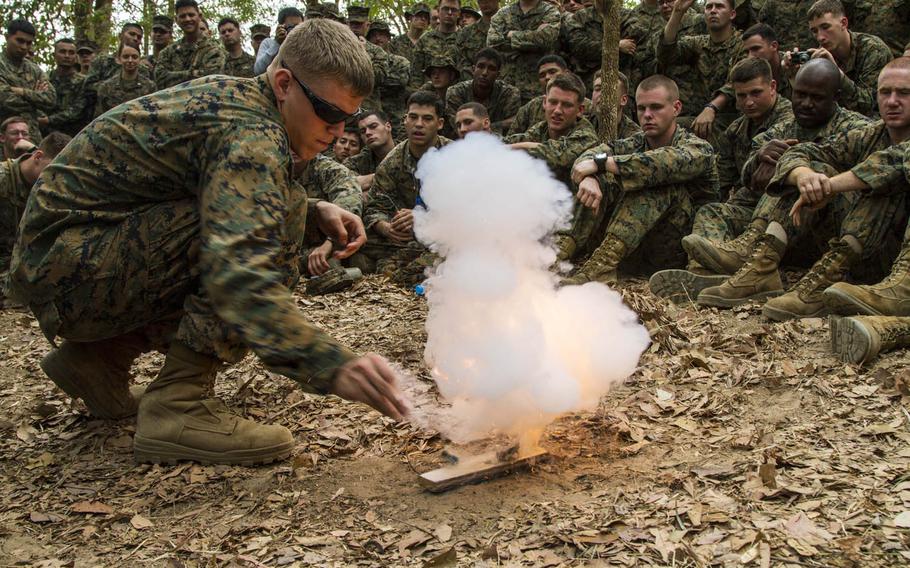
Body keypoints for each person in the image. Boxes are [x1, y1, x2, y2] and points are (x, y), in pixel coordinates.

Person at [7, 19, 408, 466]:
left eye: (349, 119)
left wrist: (315, 210)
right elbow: (239, 271)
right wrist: (331, 365)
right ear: (283, 83)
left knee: (291, 202)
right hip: (67, 271)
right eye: (330, 114)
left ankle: (99, 362)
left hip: (65, 260)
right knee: (278, 217)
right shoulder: (253, 133)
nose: (338, 131)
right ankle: (178, 404)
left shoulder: (238, 103)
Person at [697, 58, 910, 320]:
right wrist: (804, 176)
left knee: (877, 187)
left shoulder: (858, 126)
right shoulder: (872, 134)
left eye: (904, 93)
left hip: (897, 258)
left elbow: (890, 164)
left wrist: (828, 185)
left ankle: (828, 279)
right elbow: (803, 151)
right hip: (858, 249)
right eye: (885, 92)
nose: (892, 101)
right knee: (807, 171)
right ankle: (762, 265)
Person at [650, 59, 871, 303]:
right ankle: (706, 275)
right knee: (713, 211)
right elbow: (748, 169)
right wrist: (758, 160)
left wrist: (795, 171)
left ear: (835, 96)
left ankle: (751, 254)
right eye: (800, 95)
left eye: (816, 97)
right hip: (776, 226)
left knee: (793, 175)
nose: (806, 104)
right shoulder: (782, 128)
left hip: (826, 225)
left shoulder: (857, 129)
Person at [563, 75, 718, 282]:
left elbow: (660, 164)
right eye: (641, 108)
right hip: (634, 246)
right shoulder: (635, 142)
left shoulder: (699, 148)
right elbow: (586, 159)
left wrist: (601, 164)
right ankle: (561, 252)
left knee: (655, 182)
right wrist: (589, 178)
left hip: (675, 250)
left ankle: (603, 264)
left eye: (656, 107)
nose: (647, 115)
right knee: (599, 180)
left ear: (676, 108)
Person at [358, 91, 451, 283]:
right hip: (406, 239)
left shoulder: (456, 157)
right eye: (413, 117)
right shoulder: (391, 162)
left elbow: (470, 211)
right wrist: (386, 227)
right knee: (361, 239)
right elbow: (375, 207)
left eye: (427, 119)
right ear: (405, 120)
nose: (418, 124)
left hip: (447, 236)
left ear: (439, 124)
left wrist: (423, 217)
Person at [782, 0, 892, 117]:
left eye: (826, 27)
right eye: (814, 31)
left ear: (843, 23)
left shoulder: (873, 50)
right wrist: (794, 78)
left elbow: (869, 105)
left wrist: (836, 73)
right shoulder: (820, 56)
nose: (820, 37)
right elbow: (809, 107)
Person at [657, 0, 743, 142]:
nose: (713, 11)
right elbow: (665, 54)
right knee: (663, 127)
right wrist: (677, 12)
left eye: (719, 6)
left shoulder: (743, 44)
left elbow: (737, 82)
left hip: (734, 118)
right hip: (700, 117)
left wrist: (711, 108)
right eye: (709, 7)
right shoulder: (698, 43)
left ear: (732, 14)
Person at [506, 72, 598, 188]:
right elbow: (513, 140)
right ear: (545, 102)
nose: (558, 110)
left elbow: (559, 155)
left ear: (580, 110)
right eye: (553, 102)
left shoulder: (587, 135)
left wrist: (512, 148)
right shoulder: (542, 128)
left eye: (567, 105)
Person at [1, 132, 71, 274]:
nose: (59, 179)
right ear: (37, 157)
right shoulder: (3, 178)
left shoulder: (54, 187)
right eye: (55, 171)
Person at [488, 0, 562, 103]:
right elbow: (493, 42)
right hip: (507, 87)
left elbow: (546, 39)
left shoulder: (550, 11)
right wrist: (534, 35)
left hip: (537, 88)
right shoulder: (503, 13)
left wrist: (511, 35)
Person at [0, 19, 56, 146]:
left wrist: (21, 91)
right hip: (4, 138)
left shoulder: (34, 69)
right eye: (20, 41)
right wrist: (35, 97)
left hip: (31, 137)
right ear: (7, 37)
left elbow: (51, 99)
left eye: (29, 43)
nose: (24, 47)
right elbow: (5, 100)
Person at [445, 48, 521, 134]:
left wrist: (488, 127)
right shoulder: (456, 92)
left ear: (498, 74)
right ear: (473, 69)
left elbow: (514, 122)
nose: (485, 73)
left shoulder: (509, 93)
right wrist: (485, 128)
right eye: (481, 67)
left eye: (491, 68)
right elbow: (457, 126)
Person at [155, 0, 227, 90]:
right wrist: (194, 73)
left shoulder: (215, 50)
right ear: (176, 20)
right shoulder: (167, 52)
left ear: (199, 17)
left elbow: (211, 80)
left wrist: (173, 76)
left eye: (191, 15)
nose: (187, 19)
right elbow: (160, 79)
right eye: (182, 16)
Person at [410, 0, 463, 89]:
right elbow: (416, 74)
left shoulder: (465, 38)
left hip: (458, 96)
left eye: (453, 10)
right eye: (445, 9)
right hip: (429, 96)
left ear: (459, 14)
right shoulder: (425, 39)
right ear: (438, 11)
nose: (449, 13)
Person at [94, 43, 157, 117]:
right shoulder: (106, 87)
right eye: (126, 57)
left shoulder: (150, 87)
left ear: (139, 59)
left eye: (134, 57)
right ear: (119, 59)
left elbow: (154, 116)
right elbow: (99, 119)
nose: (130, 60)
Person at [343, 111, 397, 192]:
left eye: (373, 126)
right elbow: (344, 185)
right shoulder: (355, 162)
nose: (367, 133)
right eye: (363, 131)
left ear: (388, 127)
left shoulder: (408, 151)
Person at [41, 38, 86, 137]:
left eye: (71, 53)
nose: (67, 56)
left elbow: (77, 111)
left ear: (76, 56)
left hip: (73, 136)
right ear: (54, 55)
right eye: (62, 52)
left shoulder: (84, 82)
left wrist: (49, 120)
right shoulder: (45, 79)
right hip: (45, 134)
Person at [588, 71, 642, 139]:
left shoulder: (635, 137)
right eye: (597, 89)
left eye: (609, 90)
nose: (602, 94)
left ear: (623, 100)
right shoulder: (581, 122)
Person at [455, 0, 499, 78]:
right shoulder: (466, 33)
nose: (485, 2)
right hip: (474, 86)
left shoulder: (511, 26)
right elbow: (461, 64)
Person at [253, 7, 304, 75]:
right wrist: (277, 44)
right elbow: (258, 70)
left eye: (299, 27)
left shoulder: (306, 44)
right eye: (291, 27)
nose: (296, 31)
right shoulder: (269, 43)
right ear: (281, 27)